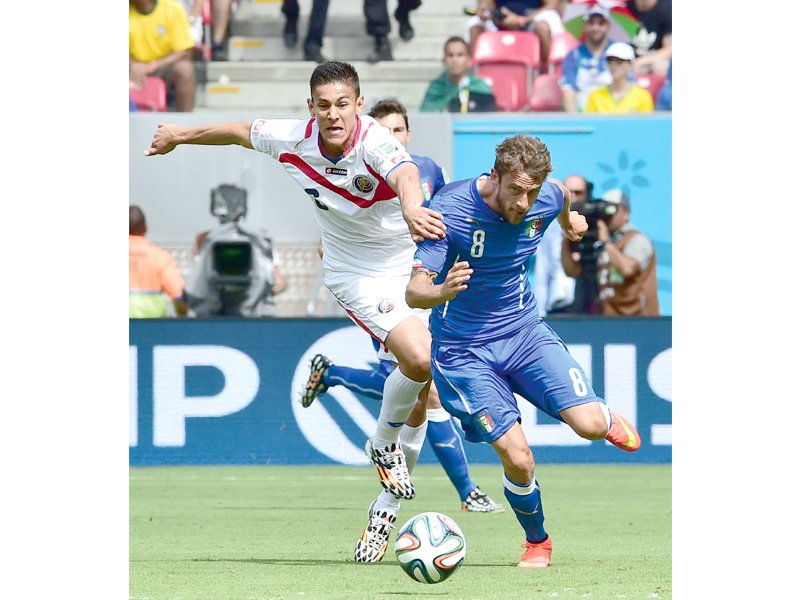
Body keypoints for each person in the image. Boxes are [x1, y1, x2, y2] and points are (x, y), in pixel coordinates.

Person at [143, 61, 447, 556]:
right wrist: (180, 133)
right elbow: (240, 131)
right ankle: (383, 444)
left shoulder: (376, 142)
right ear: (311, 108)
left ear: (358, 104)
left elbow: (406, 172)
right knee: (418, 359)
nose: (333, 114)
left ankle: (383, 511)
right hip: (354, 273)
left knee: (420, 390)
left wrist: (413, 207)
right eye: (323, 105)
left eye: (343, 104)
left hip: (406, 263)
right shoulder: (292, 137)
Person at [405, 134, 642, 569]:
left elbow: (562, 196)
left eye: (533, 191)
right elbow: (414, 293)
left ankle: (603, 416)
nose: (524, 202)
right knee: (518, 456)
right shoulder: (451, 209)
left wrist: (570, 223)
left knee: (589, 427)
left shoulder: (546, 196)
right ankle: (538, 541)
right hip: (463, 351)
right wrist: (441, 290)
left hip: (524, 332)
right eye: (516, 190)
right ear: (494, 177)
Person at [302, 97, 503, 520]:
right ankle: (453, 492)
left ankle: (334, 377)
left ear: (407, 134)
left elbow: (449, 219)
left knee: (420, 385)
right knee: (423, 390)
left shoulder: (430, 171)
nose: (391, 137)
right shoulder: (359, 167)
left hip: (426, 285)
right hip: (385, 288)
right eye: (383, 129)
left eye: (398, 130)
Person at [186, 184, 288, 317]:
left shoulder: (260, 241)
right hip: (226, 312)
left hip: (248, 313)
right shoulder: (206, 240)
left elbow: (278, 281)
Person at [562, 189, 659, 316]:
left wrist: (605, 241)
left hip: (639, 320)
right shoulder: (600, 242)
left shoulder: (636, 239)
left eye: (613, 209)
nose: (607, 215)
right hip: (610, 319)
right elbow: (572, 271)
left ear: (626, 213)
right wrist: (565, 240)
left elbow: (628, 268)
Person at [129, 0, 197, 111]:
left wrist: (152, 66)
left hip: (164, 65)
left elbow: (183, 50)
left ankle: (185, 124)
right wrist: (132, 65)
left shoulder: (171, 8)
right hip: (133, 66)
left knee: (185, 69)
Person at [462, 1, 567, 65]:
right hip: (500, 21)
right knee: (475, 24)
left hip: (532, 21)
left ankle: (545, 72)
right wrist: (486, 12)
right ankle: (476, 77)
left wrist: (522, 20)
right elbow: (485, 4)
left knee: (543, 27)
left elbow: (552, 4)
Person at [129, 206, 187, 318]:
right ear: (145, 228)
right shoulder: (159, 256)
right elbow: (178, 296)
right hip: (152, 325)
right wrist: (183, 319)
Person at [420, 36, 498, 113]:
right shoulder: (436, 87)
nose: (455, 60)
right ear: (444, 60)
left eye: (460, 55)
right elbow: (426, 117)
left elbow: (490, 118)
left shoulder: (480, 87)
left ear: (469, 60)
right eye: (450, 55)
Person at [559, 6, 614, 113]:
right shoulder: (573, 55)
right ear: (584, 26)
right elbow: (568, 91)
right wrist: (576, 123)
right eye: (591, 23)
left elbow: (627, 88)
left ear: (608, 26)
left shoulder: (617, 53)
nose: (595, 28)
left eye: (601, 23)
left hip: (611, 115)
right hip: (582, 114)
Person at [584, 42, 653, 113]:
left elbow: (647, 123)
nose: (613, 66)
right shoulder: (595, 96)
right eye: (610, 61)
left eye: (619, 62)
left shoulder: (642, 97)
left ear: (630, 65)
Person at [627, 0, 671, 77]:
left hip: (651, 61)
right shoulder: (625, 6)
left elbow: (669, 50)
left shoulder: (668, 8)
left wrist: (640, 62)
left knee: (660, 66)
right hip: (625, 60)